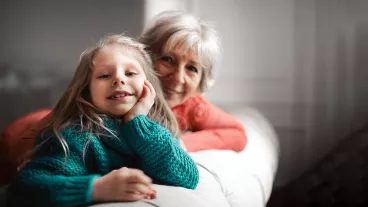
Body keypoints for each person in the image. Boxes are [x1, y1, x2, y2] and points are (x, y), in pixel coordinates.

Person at [6, 34, 199, 207]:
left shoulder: (156, 129)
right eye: (105, 75)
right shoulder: (77, 137)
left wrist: (138, 123)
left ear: (148, 85)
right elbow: (25, 187)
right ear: (87, 91)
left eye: (130, 73)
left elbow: (187, 177)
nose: (118, 80)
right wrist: (96, 188)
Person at [139, 11, 247, 152]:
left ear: (201, 79)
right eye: (168, 60)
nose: (178, 78)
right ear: (145, 56)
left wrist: (183, 143)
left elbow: (238, 135)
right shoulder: (127, 90)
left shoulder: (193, 107)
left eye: (192, 68)